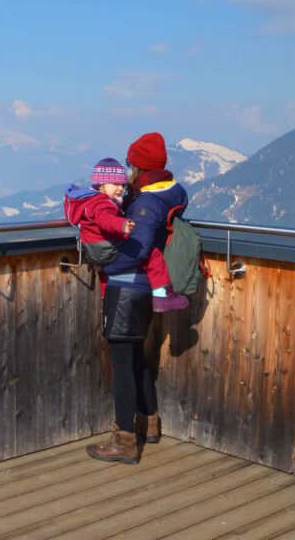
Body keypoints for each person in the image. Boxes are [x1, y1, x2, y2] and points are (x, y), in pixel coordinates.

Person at [86, 133, 188, 464]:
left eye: (130, 164)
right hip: (146, 288)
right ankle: (150, 423)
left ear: (139, 166)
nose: (127, 170)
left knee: (121, 363)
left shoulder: (145, 203)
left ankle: (125, 441)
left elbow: (138, 248)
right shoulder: (164, 193)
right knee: (135, 357)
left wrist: (104, 263)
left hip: (127, 286)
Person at [63, 157, 172, 302]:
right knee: (152, 253)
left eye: (122, 185)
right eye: (115, 184)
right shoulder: (101, 203)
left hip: (93, 248)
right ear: (101, 185)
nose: (120, 189)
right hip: (107, 246)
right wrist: (122, 225)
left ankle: (105, 294)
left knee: (105, 270)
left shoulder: (91, 201)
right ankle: (162, 294)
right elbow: (105, 220)